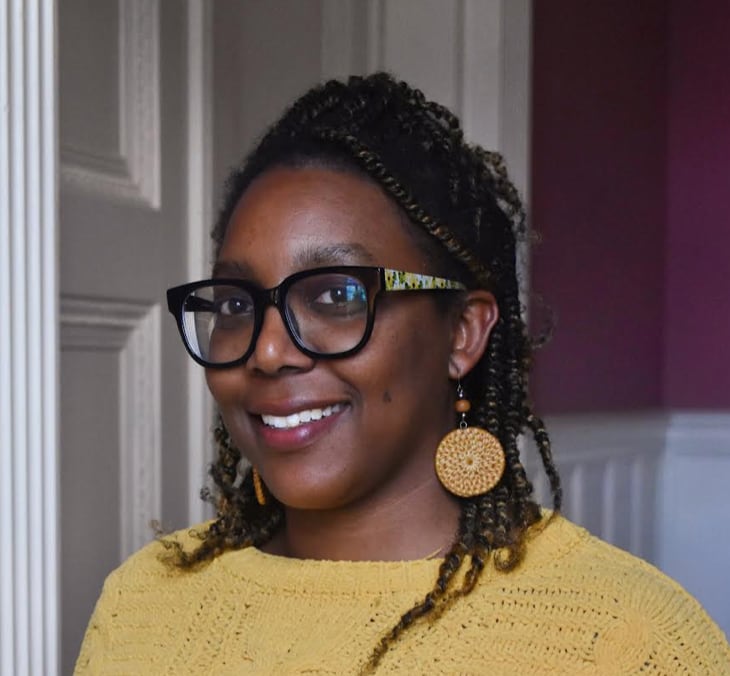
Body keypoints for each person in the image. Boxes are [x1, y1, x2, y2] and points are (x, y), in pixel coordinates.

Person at [75, 73, 729, 674]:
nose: (268, 352)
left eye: (336, 296)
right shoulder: (143, 603)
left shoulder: (625, 640)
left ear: (463, 332)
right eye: (238, 304)